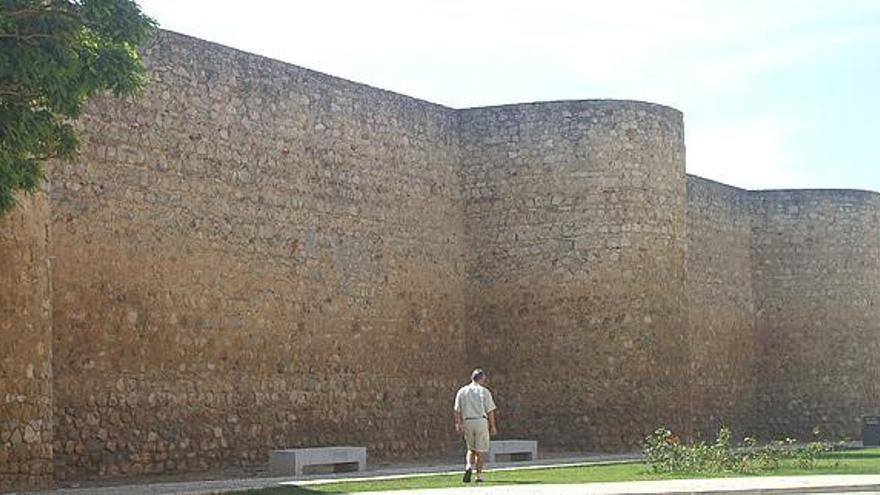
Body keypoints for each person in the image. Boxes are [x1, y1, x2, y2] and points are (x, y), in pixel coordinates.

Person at [453, 367, 497, 483]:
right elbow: (490, 410)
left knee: (470, 448)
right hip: (480, 421)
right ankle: (478, 475)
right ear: (481, 378)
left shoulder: (462, 391)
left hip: (467, 421)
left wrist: (458, 423)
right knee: (480, 450)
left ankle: (468, 466)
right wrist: (493, 426)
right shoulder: (484, 391)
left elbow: (456, 409)